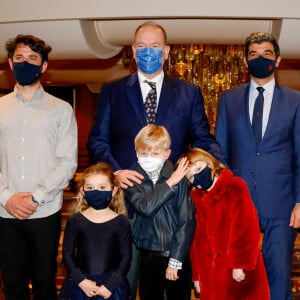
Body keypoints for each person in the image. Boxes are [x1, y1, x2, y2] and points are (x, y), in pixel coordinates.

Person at [87, 21, 224, 299]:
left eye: (155, 46)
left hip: (172, 216)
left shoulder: (189, 92)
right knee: (121, 283)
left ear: (166, 51)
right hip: (126, 206)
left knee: (168, 290)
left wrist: (215, 164)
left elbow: (202, 139)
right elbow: (97, 141)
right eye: (142, 46)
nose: (148, 51)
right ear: (133, 51)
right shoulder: (112, 91)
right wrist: (115, 172)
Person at [215, 32, 300, 300]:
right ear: (245, 60)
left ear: (278, 59)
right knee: (238, 278)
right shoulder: (228, 99)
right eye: (253, 54)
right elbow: (220, 153)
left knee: (278, 278)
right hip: (238, 203)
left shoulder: (296, 101)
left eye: (266, 53)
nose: (260, 58)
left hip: (282, 204)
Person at [0, 34, 78, 300]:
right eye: (19, 58)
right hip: (4, 211)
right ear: (10, 64)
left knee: (45, 283)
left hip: (44, 210)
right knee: (12, 284)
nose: (25, 63)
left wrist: (36, 197)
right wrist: (7, 197)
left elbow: (67, 162)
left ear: (43, 66)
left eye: (32, 59)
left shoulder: (61, 110)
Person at [184, 147, 270, 300]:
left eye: (199, 168)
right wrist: (196, 276)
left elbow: (246, 226)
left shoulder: (235, 186)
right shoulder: (195, 198)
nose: (196, 176)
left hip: (240, 270)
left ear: (210, 164)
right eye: (190, 176)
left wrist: (239, 264)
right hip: (210, 273)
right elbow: (196, 241)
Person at [124, 124, 195, 300]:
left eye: (154, 154)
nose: (148, 158)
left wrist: (175, 259)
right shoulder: (133, 179)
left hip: (177, 254)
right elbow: (145, 208)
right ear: (136, 152)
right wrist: (170, 183)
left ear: (166, 154)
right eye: (143, 153)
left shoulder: (180, 178)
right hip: (148, 255)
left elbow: (186, 221)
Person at [60, 162, 132, 300]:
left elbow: (126, 257)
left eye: (102, 187)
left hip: (111, 287)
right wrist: (81, 281)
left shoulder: (121, 222)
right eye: (90, 187)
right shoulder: (75, 221)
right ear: (83, 191)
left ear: (114, 190)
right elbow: (67, 255)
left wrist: (110, 286)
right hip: (80, 286)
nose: (96, 191)